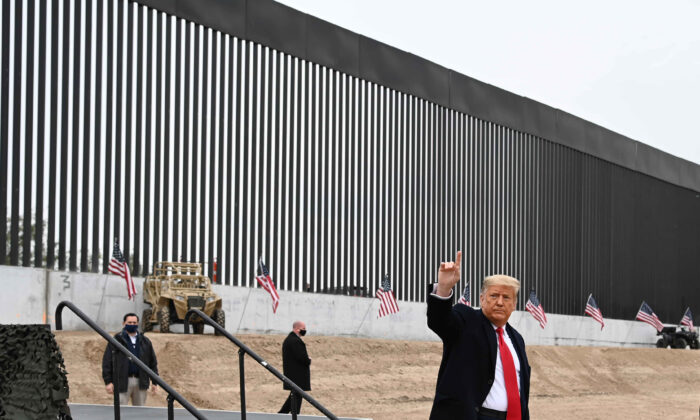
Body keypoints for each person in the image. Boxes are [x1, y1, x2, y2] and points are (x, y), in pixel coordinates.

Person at [427, 251, 530, 420]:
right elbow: (439, 321)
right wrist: (444, 288)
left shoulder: (517, 339)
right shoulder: (466, 321)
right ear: (482, 299)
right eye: (494, 295)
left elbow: (522, 390)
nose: (499, 302)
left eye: (506, 297)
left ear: (514, 304)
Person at [102, 313, 159, 406]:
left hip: (140, 381)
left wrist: (155, 382)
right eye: (129, 322)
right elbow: (107, 361)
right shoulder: (116, 340)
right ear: (124, 323)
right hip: (122, 381)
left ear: (137, 323)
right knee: (121, 411)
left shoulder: (145, 341)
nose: (132, 324)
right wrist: (108, 382)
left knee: (139, 412)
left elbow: (152, 362)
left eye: (134, 322)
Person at [279, 321, 311, 414]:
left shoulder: (289, 339)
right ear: (297, 329)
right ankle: (290, 415)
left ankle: (282, 414)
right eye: (303, 329)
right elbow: (301, 357)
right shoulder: (295, 341)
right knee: (296, 397)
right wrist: (308, 360)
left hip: (293, 375)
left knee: (294, 396)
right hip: (297, 376)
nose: (305, 331)